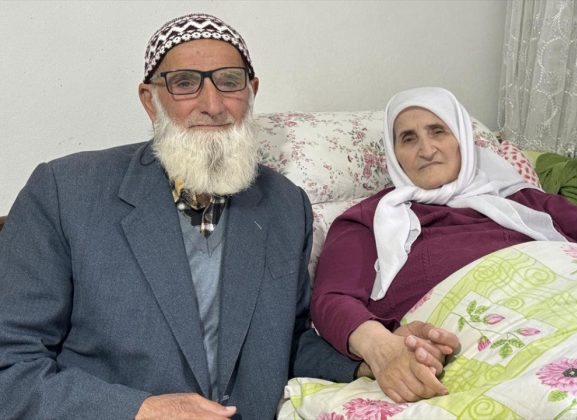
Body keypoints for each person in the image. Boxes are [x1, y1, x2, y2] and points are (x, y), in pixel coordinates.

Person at [0, 13, 454, 419]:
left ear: (251, 92)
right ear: (150, 99)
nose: (213, 105)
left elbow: (287, 342)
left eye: (230, 82)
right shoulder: (65, 191)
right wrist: (141, 411)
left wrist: (373, 360)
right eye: (184, 83)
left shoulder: (285, 205)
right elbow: (10, 364)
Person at [310, 86, 577, 403]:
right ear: (394, 154)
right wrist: (383, 350)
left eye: (438, 131)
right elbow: (332, 299)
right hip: (482, 338)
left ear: (462, 140)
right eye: (408, 138)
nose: (426, 149)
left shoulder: (521, 199)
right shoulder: (370, 218)